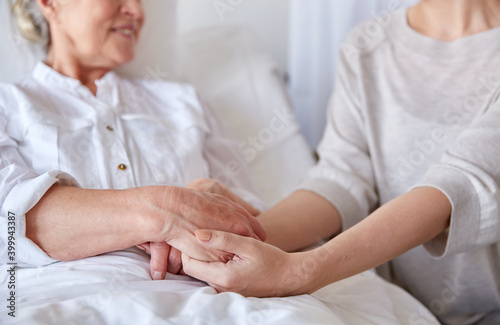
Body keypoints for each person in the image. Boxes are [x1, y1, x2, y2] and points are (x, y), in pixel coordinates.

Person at [182, 1, 500, 323]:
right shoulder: (367, 45)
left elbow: (457, 187)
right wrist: (235, 237)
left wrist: (299, 272)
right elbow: (342, 178)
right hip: (405, 309)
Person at [0, 0, 266, 281]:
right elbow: (10, 222)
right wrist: (172, 208)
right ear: (50, 4)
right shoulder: (8, 106)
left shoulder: (184, 102)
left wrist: (204, 200)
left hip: (212, 300)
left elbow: (258, 228)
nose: (137, 12)